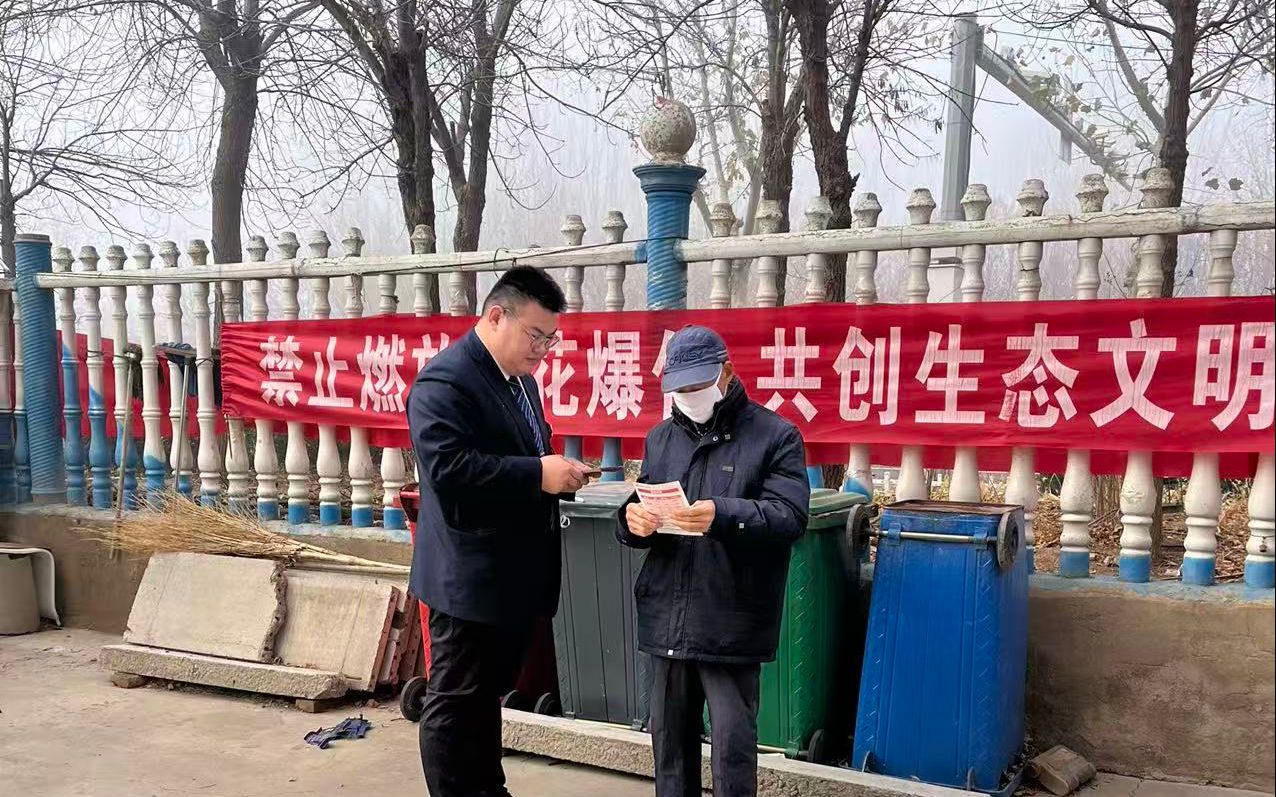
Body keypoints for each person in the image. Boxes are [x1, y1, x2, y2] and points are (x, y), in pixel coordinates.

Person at [407, 265, 592, 797]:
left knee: (484, 698)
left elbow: (527, 453)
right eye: (536, 335)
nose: (543, 350)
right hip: (468, 578)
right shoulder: (446, 382)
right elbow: (450, 473)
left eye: (550, 339)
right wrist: (537, 474)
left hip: (510, 577)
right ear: (495, 316)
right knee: (453, 704)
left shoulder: (522, 384)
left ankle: (487, 788)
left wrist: (557, 472)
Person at [617, 325, 811, 797]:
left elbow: (790, 516)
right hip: (667, 616)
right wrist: (630, 520)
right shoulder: (662, 438)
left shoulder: (775, 436)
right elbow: (644, 498)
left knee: (732, 750)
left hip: (731, 618)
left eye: (698, 386)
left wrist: (721, 515)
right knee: (669, 748)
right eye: (680, 389)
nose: (689, 397)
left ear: (727, 372)